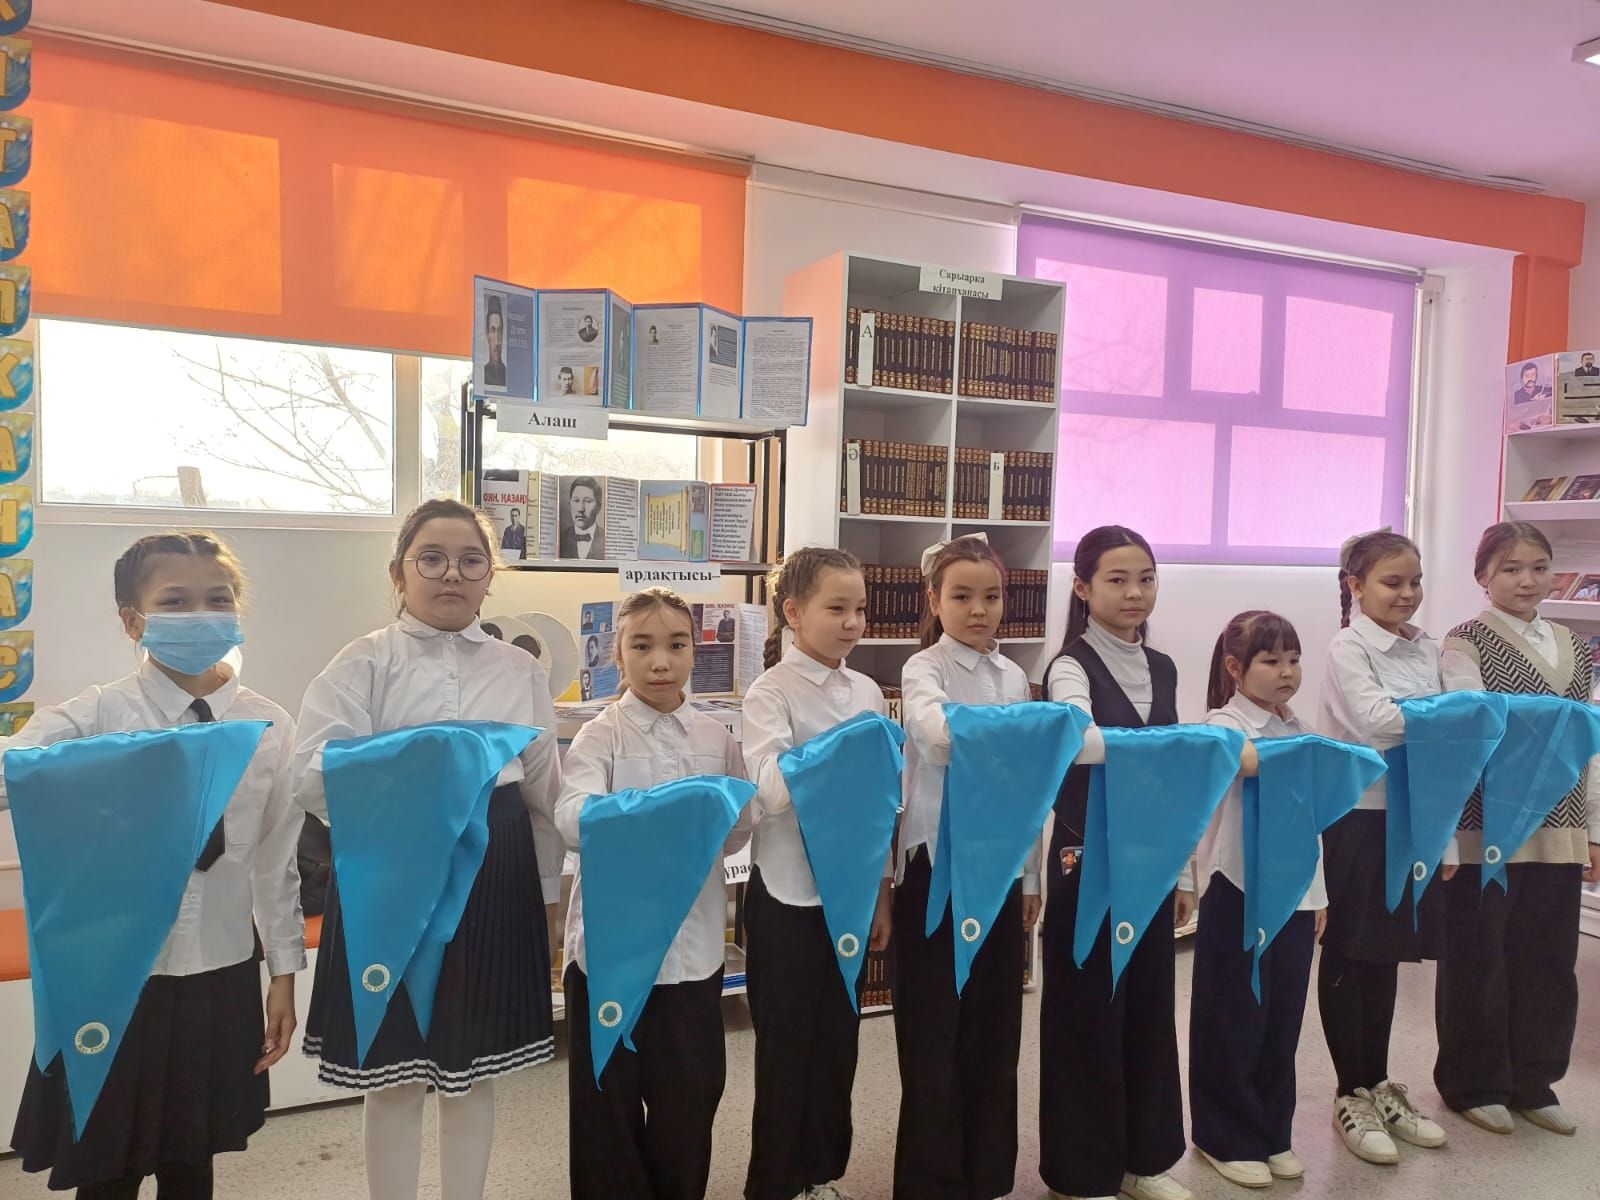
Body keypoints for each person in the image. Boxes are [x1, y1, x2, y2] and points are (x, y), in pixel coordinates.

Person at [3, 531, 303, 1197]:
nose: (201, 614)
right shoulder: (100, 714)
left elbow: (275, 861)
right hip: (117, 976)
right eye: (175, 601)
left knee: (193, 1158)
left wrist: (283, 973)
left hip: (221, 969)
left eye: (218, 599)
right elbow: (13, 769)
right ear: (132, 620)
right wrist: (103, 768)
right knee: (107, 1165)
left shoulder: (269, 725)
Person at [294, 499, 563, 1200]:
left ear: (489, 577)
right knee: (392, 1076)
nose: (452, 575)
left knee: (471, 1072)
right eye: (432, 559)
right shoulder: (362, 662)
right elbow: (310, 776)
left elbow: (543, 794)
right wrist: (411, 782)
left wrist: (549, 896)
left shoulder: (520, 670)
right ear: (399, 573)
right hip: (388, 875)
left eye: (471, 561)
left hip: (493, 870)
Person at [558, 587, 750, 1200]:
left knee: (689, 1102)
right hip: (610, 955)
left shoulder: (718, 737)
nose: (660, 662)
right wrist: (661, 815)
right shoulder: (600, 736)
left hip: (693, 956)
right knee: (606, 1108)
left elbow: (739, 826)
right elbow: (571, 817)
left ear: (695, 652)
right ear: (618, 654)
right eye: (641, 646)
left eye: (676, 645)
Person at [1039, 525, 1192, 1200]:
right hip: (1088, 860)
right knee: (1087, 1013)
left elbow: (1175, 779)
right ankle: (1082, 1173)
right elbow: (1082, 745)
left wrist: (1183, 871)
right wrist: (1176, 748)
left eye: (1146, 579)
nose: (1135, 593)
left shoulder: (1164, 667)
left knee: (1148, 1010)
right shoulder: (1068, 666)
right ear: (1082, 587)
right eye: (1117, 580)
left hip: (1153, 859)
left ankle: (1143, 1161)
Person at [1435, 521, 1600, 1136]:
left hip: (1560, 826)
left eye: (1538, 567)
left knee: (1549, 960)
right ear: (1483, 576)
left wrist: (1593, 827)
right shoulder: (1466, 640)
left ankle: (1535, 1080)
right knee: (1480, 958)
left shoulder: (1575, 645)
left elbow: (1590, 744)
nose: (1526, 580)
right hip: (1488, 828)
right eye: (1510, 568)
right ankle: (1473, 1083)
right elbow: (1469, 732)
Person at [740, 547, 890, 1200]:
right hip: (788, 892)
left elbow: (882, 802)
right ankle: (776, 1185)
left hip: (850, 894)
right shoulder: (769, 692)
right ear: (793, 612)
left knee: (836, 1046)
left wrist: (881, 893)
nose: (853, 623)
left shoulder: (867, 691)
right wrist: (846, 750)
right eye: (837, 608)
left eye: (860, 609)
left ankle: (822, 1176)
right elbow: (771, 790)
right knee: (785, 1050)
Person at [893, 535, 1034, 1200]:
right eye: (962, 596)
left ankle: (986, 1177)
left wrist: (1031, 876)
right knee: (933, 1033)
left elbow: (1028, 783)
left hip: (1002, 866)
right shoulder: (922, 668)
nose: (979, 610)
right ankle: (930, 1183)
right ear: (934, 600)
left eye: (992, 596)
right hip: (935, 869)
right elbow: (939, 738)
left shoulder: (1014, 678)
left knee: (994, 1028)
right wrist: (1017, 736)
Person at [1317, 529, 1448, 1166]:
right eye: (1392, 582)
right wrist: (1448, 715)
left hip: (1411, 815)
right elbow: (1378, 721)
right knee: (1351, 948)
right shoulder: (1349, 646)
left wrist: (1437, 715)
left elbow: (1425, 719)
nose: (1407, 593)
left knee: (1387, 954)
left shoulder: (1425, 647)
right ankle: (1350, 1091)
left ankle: (1378, 1081)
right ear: (1356, 586)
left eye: (1415, 581)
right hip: (1358, 816)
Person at [1183, 611, 1321, 1189]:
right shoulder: (1223, 725)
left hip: (1296, 896)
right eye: (1272, 661)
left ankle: (1272, 1131)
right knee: (1232, 1016)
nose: (1287, 672)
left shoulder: (1299, 728)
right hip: (1236, 890)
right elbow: (1238, 769)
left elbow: (1311, 819)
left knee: (1282, 1019)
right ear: (1235, 668)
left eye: (1294, 659)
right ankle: (1224, 1136)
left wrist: (1319, 896)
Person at [562, 476, 606, 560]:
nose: (580, 509)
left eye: (588, 501)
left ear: (599, 507)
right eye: (576, 500)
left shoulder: (607, 539)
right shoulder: (561, 539)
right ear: (570, 504)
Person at [483, 295, 506, 388]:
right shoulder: (482, 374)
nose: (497, 341)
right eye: (493, 330)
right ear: (487, 334)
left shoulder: (507, 373)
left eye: (499, 331)